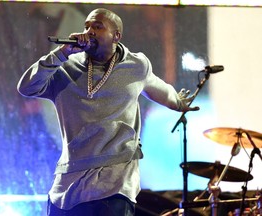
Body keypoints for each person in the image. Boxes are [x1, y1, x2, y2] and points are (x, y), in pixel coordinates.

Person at [17, 7, 199, 216]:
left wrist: (177, 102)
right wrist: (62, 53)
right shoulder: (66, 68)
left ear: (116, 36)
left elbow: (159, 88)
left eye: (97, 26)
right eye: (86, 26)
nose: (89, 31)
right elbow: (27, 87)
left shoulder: (136, 65)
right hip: (69, 187)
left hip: (115, 185)